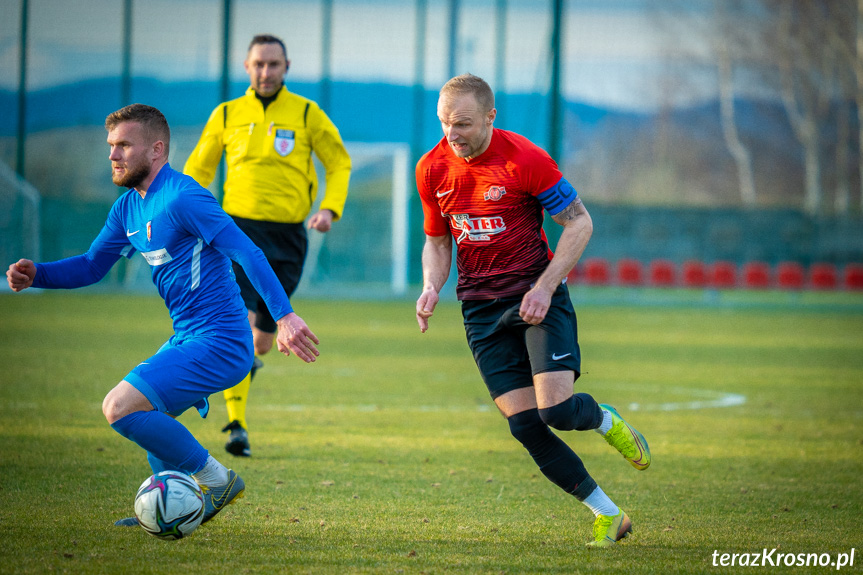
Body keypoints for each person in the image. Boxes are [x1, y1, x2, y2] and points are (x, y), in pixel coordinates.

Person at [6, 103, 321, 528]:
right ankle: (163, 505)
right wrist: (38, 274)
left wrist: (284, 316)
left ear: (156, 150)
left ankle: (219, 481)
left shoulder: (184, 197)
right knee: (149, 413)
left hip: (222, 341)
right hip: (189, 337)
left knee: (118, 407)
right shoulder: (127, 209)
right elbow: (91, 266)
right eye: (111, 146)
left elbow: (248, 251)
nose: (114, 155)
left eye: (123, 146)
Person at [414, 74, 651, 548]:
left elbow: (580, 222)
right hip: (480, 310)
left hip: (535, 298)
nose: (451, 134)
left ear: (489, 116)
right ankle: (608, 514)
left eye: (461, 123)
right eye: (444, 123)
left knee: (558, 411)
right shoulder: (431, 168)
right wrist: (430, 286)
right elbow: (438, 241)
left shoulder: (524, 159)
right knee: (524, 424)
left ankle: (605, 420)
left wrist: (545, 286)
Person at [184, 34, 351, 458]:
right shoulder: (226, 114)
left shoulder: (308, 114)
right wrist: (185, 218)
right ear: (246, 66)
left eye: (274, 64)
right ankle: (236, 424)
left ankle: (247, 366)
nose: (265, 71)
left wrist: (330, 209)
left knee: (260, 341)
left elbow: (338, 161)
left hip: (288, 237)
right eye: (258, 64)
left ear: (286, 67)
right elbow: (198, 170)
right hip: (235, 231)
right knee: (239, 328)